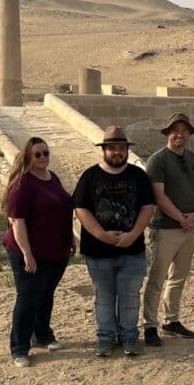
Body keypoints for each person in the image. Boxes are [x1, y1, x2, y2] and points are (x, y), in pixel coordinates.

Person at [74, 126, 155, 357]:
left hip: (133, 249)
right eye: (112, 148)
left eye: (121, 148)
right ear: (104, 150)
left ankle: (129, 336)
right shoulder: (90, 176)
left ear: (127, 150)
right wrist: (102, 235)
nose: (117, 152)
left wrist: (133, 234)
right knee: (105, 296)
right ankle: (106, 336)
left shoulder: (139, 176)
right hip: (98, 250)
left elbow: (147, 208)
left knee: (129, 296)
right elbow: (81, 209)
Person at [1, 137, 75, 368]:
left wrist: (71, 238)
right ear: (28, 157)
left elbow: (63, 210)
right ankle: (20, 348)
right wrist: (27, 254)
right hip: (30, 250)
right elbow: (17, 222)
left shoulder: (52, 178)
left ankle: (43, 334)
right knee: (28, 298)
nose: (43, 157)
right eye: (38, 154)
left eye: (45, 153)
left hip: (56, 249)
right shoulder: (23, 184)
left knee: (46, 294)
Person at [142, 112, 194, 346]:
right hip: (166, 227)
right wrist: (181, 217)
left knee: (178, 277)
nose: (179, 134)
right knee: (157, 277)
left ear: (189, 133)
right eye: (175, 129)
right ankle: (150, 324)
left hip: (187, 227)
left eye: (184, 130)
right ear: (168, 133)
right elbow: (158, 196)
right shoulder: (158, 160)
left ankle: (172, 320)